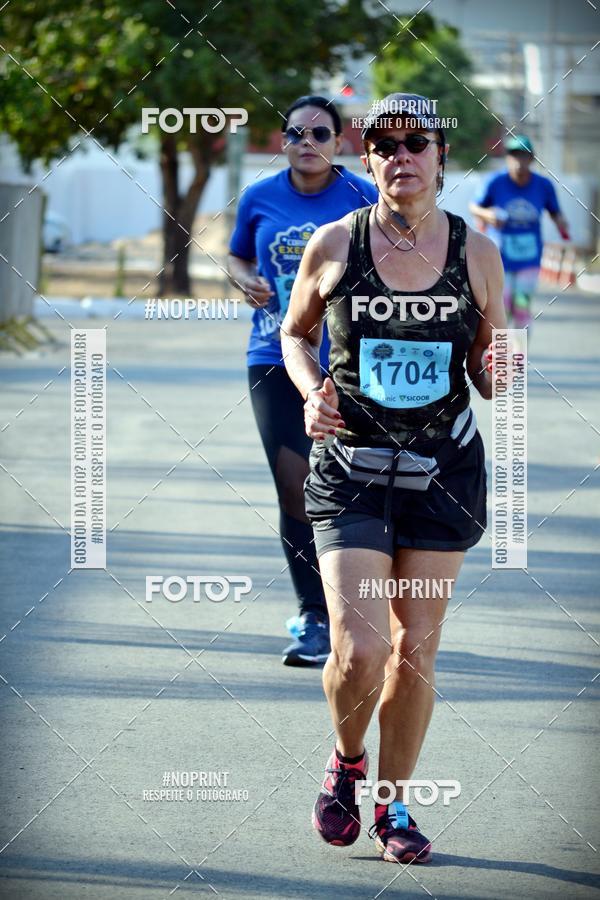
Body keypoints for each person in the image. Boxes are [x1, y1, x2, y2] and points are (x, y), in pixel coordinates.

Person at [281, 92, 506, 863]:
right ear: (368, 158)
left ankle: (394, 806)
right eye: (385, 145)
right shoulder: (334, 243)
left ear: (442, 156)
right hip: (351, 468)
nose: (401, 156)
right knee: (361, 651)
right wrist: (311, 390)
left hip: (441, 474)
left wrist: (499, 369)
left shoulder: (476, 255)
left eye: (417, 143)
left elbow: (490, 360)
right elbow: (294, 333)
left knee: (414, 653)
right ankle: (347, 760)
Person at [228, 95, 378, 666]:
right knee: (295, 485)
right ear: (283, 142)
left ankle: (364, 609)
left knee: (361, 484)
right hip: (274, 353)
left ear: (339, 143)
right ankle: (314, 615)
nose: (306, 142)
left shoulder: (363, 196)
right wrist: (243, 279)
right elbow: (239, 255)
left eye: (319, 133)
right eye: (295, 133)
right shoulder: (259, 196)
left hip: (351, 360)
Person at [470, 134, 570, 329]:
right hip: (500, 258)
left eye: (523, 155)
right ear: (507, 157)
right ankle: (502, 348)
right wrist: (488, 215)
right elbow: (474, 207)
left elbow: (555, 212)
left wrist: (561, 223)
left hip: (529, 258)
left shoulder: (543, 185)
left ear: (531, 158)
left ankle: (519, 348)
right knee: (502, 308)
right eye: (514, 155)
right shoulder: (495, 182)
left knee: (522, 307)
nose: (518, 160)